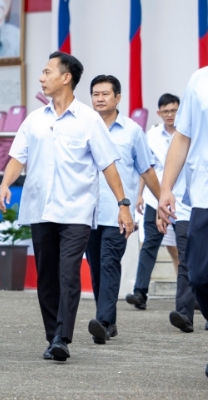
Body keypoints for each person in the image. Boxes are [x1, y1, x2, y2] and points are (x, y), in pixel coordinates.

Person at [0, 51, 133, 363]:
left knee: (69, 273)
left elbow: (108, 166)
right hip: (40, 211)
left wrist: (122, 204)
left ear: (66, 77)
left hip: (76, 212)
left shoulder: (88, 120)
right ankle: (51, 335)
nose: (42, 78)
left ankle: (62, 336)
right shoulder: (35, 120)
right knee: (46, 277)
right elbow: (18, 158)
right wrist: (5, 184)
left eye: (47, 72)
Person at [86, 75, 158, 344]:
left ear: (118, 98)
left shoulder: (132, 131)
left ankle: (102, 321)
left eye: (105, 94)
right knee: (95, 269)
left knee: (109, 263)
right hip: (87, 213)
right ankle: (109, 322)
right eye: (95, 94)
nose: (100, 98)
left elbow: (146, 169)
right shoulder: (84, 127)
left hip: (119, 213)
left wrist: (162, 200)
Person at [157, 67, 208, 365]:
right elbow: (182, 137)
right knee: (200, 276)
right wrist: (166, 187)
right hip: (203, 195)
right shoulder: (200, 79)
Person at [127, 94, 183, 311]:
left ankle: (187, 294)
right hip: (155, 196)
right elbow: (145, 167)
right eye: (165, 111)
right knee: (150, 244)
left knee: (180, 249)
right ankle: (140, 292)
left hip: (182, 198)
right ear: (159, 113)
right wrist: (140, 194)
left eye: (174, 110)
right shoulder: (151, 135)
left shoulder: (187, 133)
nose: (170, 115)